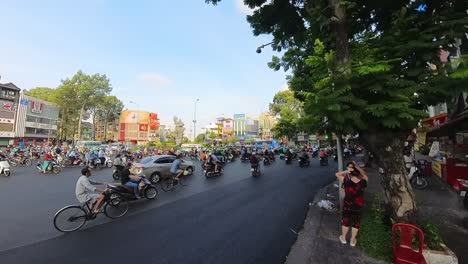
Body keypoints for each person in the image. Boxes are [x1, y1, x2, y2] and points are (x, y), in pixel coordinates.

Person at [335, 161, 368, 247]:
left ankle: (343, 238)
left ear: (351, 172)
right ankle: (352, 240)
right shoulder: (362, 182)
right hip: (358, 206)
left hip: (348, 205)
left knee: (346, 221)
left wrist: (347, 171)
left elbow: (337, 174)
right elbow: (365, 176)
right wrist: (358, 168)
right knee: (356, 223)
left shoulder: (346, 180)